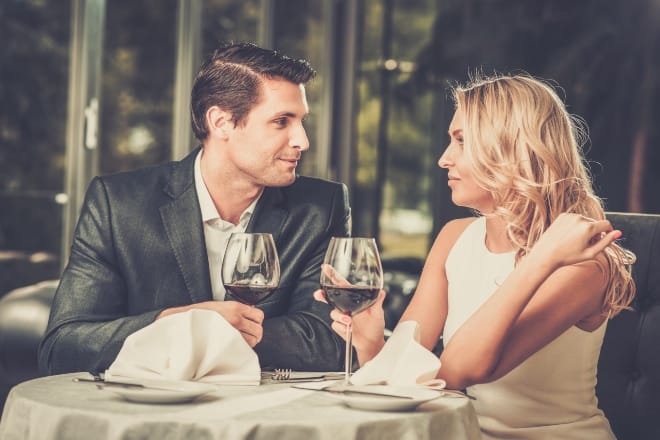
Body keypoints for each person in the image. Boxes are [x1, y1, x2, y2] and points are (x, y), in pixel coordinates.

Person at [316, 73, 635, 439]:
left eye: (461, 141)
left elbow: (460, 370)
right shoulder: (454, 238)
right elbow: (409, 382)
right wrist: (372, 344)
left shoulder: (583, 262)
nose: (443, 159)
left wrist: (539, 259)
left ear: (512, 149)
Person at [39, 42, 350, 375]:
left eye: (301, 121)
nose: (302, 141)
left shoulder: (321, 207)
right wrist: (179, 324)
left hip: (263, 416)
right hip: (144, 417)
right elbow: (64, 347)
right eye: (281, 122)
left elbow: (330, 342)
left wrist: (219, 333)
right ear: (220, 122)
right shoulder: (118, 204)